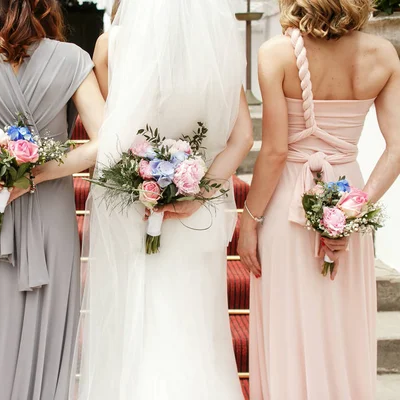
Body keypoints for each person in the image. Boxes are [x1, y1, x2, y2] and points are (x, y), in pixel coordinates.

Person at [70, 0, 253, 399]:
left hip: (135, 208)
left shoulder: (109, 45)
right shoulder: (219, 50)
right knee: (193, 324)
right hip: (194, 215)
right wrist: (195, 193)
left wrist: (145, 184)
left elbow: (112, 138)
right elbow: (243, 138)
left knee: (137, 322)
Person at [238, 0, 400, 398]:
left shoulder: (275, 53)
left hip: (287, 201)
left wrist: (248, 220)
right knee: (342, 322)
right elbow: (396, 148)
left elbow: (275, 152)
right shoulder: (382, 54)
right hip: (349, 193)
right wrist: (351, 212)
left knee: (289, 323)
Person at [0, 0, 105, 398]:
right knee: (50, 323)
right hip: (51, 208)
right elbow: (108, 142)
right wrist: (41, 173)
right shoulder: (73, 58)